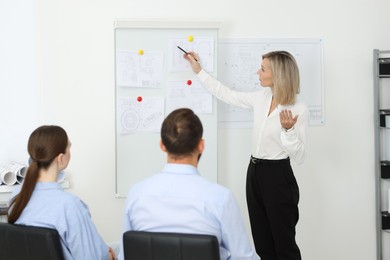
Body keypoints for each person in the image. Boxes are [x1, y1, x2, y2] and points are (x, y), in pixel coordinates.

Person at [183, 51, 309, 260]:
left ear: (277, 74)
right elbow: (226, 93)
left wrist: (289, 131)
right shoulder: (261, 97)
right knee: (262, 243)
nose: (257, 72)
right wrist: (199, 71)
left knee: (284, 245)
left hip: (278, 176)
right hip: (255, 173)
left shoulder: (298, 109)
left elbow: (300, 156)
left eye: (263, 69)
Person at [118, 108, 259, 260]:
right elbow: (243, 257)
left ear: (162, 145)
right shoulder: (220, 199)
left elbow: (125, 256)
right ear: (201, 146)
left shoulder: (137, 194)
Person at [7, 125, 116, 260]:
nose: (70, 152)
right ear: (60, 158)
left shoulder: (17, 196)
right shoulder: (70, 205)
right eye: (69, 147)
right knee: (116, 247)